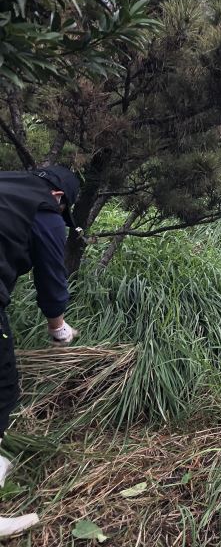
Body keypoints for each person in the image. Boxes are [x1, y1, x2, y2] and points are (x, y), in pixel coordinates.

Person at [0, 165, 81, 537]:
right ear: (60, 198)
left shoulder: (7, 182)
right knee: (2, 389)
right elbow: (51, 277)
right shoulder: (44, 210)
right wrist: (59, 330)